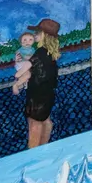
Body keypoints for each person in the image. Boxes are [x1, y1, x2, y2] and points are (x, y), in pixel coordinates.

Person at [25, 19, 61, 148]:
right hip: (47, 94)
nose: (34, 35)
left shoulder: (39, 53)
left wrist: (18, 81)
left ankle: (33, 155)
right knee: (46, 121)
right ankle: (43, 151)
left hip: (37, 95)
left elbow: (28, 69)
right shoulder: (51, 54)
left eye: (38, 32)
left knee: (34, 124)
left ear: (45, 35)